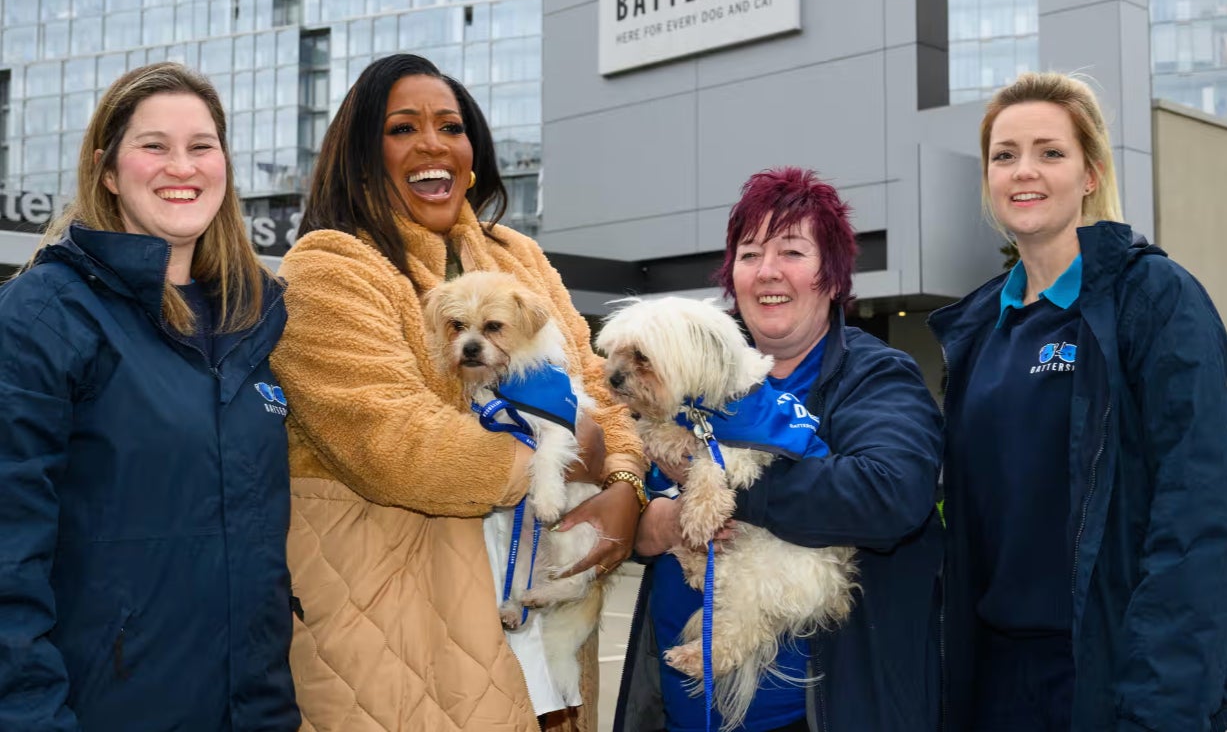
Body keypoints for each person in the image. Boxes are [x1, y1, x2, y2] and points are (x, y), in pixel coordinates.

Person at [271, 53, 645, 732]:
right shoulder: (327, 266)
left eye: (450, 125)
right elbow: (392, 441)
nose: (432, 143)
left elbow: (593, 382)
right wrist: (563, 453)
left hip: (532, 606)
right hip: (393, 617)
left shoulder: (519, 258)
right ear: (360, 156)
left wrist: (622, 481)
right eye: (401, 128)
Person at [0, 63, 299, 730]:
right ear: (107, 170)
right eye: (153, 145)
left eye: (202, 146)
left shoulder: (256, 320)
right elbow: (7, 561)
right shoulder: (44, 316)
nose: (181, 167)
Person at [930, 71, 1227, 731]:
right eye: (1003, 155)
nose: (1022, 171)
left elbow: (1199, 515)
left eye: (1049, 152)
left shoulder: (1153, 299)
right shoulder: (977, 328)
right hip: (994, 685)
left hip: (1111, 677)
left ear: (1090, 174)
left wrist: (1160, 706)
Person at [614, 166, 944, 732]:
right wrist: (663, 524)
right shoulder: (685, 380)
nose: (767, 271)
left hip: (810, 714)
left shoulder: (876, 376)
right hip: (676, 709)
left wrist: (718, 482)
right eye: (749, 254)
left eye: (792, 251)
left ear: (833, 279)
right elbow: (640, 522)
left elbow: (889, 495)